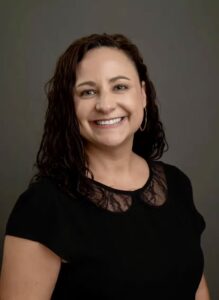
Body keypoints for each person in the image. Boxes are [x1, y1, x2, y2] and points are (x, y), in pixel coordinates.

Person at [0, 33, 210, 300]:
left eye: (120, 86)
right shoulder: (42, 206)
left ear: (143, 95)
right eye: (88, 92)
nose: (106, 105)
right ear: (69, 107)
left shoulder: (177, 183)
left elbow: (197, 288)